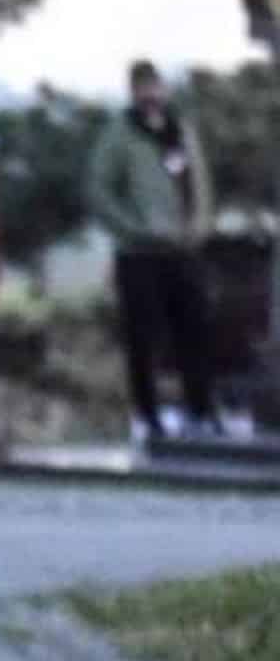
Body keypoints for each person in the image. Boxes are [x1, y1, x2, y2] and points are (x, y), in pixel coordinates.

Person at [86, 61, 217, 443]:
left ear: (163, 89)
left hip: (183, 248)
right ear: (133, 91)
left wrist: (200, 226)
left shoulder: (181, 130)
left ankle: (202, 411)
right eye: (142, 88)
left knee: (194, 331)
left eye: (154, 86)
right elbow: (98, 189)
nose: (150, 94)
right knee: (143, 339)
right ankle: (147, 415)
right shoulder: (120, 134)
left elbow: (200, 180)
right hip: (140, 253)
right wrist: (131, 228)